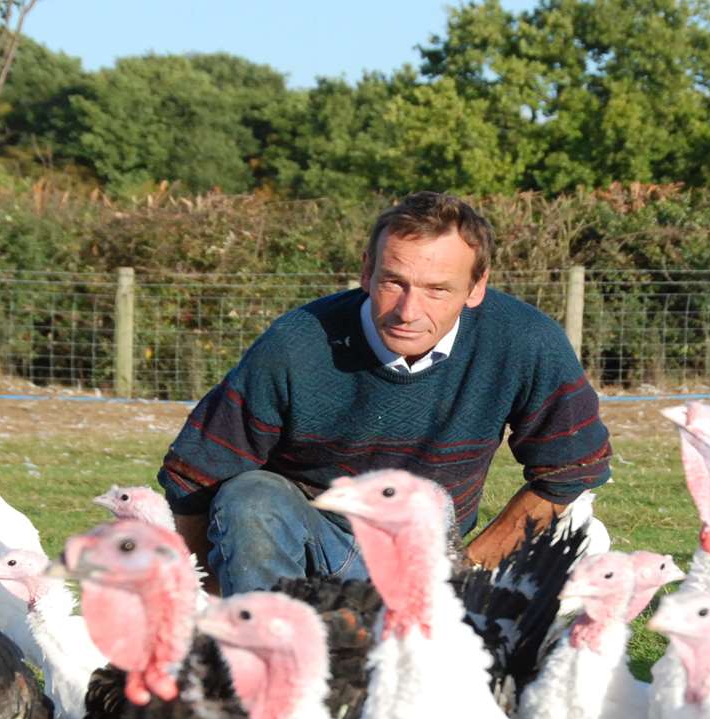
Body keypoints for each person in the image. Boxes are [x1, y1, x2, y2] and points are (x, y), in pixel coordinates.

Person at [157, 191, 612, 596]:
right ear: (366, 272)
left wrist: (466, 569)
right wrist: (210, 591)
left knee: (581, 542)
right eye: (394, 282)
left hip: (427, 556)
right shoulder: (295, 345)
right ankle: (272, 656)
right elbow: (196, 477)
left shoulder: (525, 342)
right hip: (310, 543)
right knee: (249, 496)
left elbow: (573, 468)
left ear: (476, 288)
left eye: (438, 289)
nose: (408, 311)